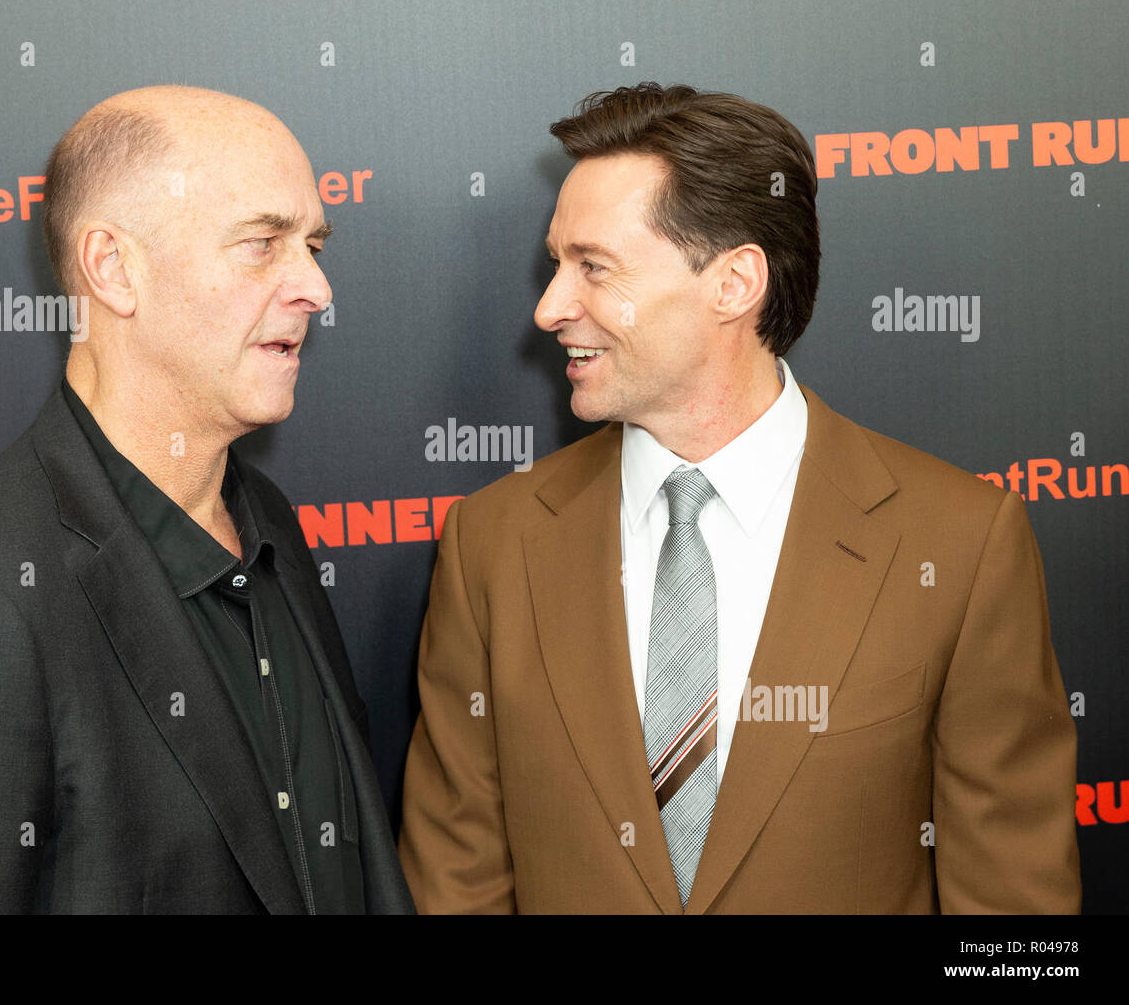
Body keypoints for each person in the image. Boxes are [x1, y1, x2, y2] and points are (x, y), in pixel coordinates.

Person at [397, 82, 1079, 914]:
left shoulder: (959, 544)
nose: (549, 308)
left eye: (594, 268)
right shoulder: (492, 545)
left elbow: (1016, 916)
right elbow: (456, 879)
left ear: (734, 283)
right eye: (555, 265)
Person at [0, 85, 413, 914]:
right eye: (262, 244)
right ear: (112, 269)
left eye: (314, 245)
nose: (315, 287)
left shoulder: (269, 522)